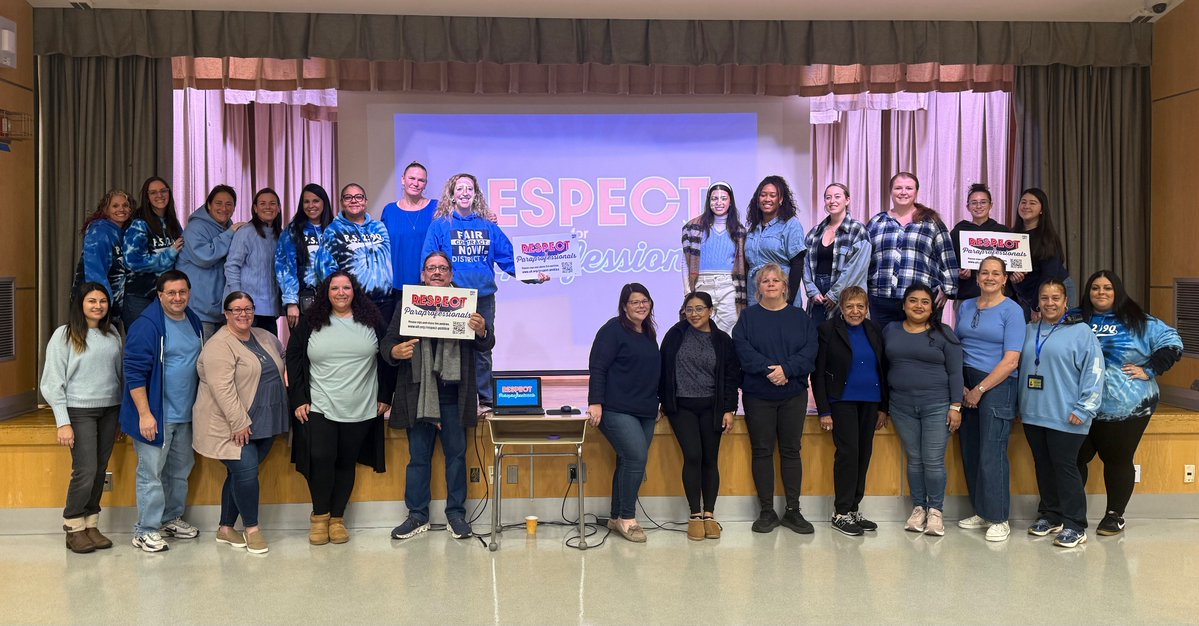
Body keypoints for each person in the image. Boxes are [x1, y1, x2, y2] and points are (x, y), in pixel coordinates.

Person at [383, 252, 494, 541]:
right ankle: (417, 515)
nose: (436, 273)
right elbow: (387, 344)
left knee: (457, 458)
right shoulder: (408, 304)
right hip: (418, 393)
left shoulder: (468, 304)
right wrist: (396, 352)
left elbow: (486, 344)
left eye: (443, 268)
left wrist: (482, 330)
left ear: (451, 274)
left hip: (455, 395)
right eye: (431, 268)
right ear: (423, 274)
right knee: (418, 458)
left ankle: (456, 515)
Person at [422, 173, 549, 413]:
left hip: (483, 297)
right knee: (449, 347)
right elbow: (429, 258)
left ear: (476, 193)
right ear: (451, 194)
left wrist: (535, 275)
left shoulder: (488, 225)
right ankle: (449, 395)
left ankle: (485, 397)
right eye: (459, 188)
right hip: (452, 297)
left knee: (482, 347)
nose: (464, 192)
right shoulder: (440, 225)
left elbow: (509, 258)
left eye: (469, 188)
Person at [286, 271, 394, 546]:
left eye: (346, 287)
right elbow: (295, 357)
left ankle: (337, 519)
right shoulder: (311, 321)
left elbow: (387, 356)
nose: (341, 292)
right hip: (320, 404)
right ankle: (319, 517)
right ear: (327, 292)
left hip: (361, 405)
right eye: (335, 288)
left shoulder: (372, 321)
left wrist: (385, 394)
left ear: (354, 291)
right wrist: (298, 398)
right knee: (321, 458)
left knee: (346, 462)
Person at [1077, 270, 1183, 535]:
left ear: (1118, 292)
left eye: (1108, 288)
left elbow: (1172, 342)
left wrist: (1150, 369)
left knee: (1117, 459)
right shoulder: (1076, 319)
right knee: (1075, 458)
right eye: (1095, 288)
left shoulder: (1138, 321)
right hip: (1082, 406)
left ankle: (1115, 515)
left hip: (1126, 406)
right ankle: (1072, 513)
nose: (1101, 293)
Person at [192, 291, 289, 555]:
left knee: (240, 474)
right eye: (236, 309)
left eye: (247, 309)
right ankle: (252, 529)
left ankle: (225, 529)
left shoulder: (264, 336)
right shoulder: (219, 345)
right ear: (226, 314)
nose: (243, 314)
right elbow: (222, 389)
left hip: (266, 419)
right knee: (246, 471)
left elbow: (281, 357)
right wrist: (238, 422)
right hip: (232, 423)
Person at [121, 269, 204, 552]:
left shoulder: (193, 319)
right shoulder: (147, 325)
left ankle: (170, 518)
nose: (177, 297)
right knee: (151, 473)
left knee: (179, 472)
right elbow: (133, 373)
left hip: (185, 415)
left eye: (182, 292)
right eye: (171, 293)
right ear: (160, 295)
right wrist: (145, 414)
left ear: (189, 293)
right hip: (156, 415)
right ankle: (144, 530)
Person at [732, 263, 818, 534]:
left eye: (775, 280)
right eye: (765, 281)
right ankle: (767, 512)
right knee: (762, 451)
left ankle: (793, 511)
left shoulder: (800, 318)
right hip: (759, 395)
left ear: (785, 286)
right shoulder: (748, 318)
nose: (770, 284)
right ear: (758, 288)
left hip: (793, 394)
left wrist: (787, 371)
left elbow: (810, 351)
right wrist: (771, 371)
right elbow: (742, 350)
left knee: (792, 451)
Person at [1018, 280, 1104, 548]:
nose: (1050, 303)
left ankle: (1075, 524)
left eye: (1056, 298)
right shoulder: (1029, 330)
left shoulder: (1081, 332)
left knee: (1066, 468)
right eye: (1044, 298)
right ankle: (1051, 514)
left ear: (1066, 302)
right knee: (1043, 466)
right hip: (1033, 414)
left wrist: (1085, 408)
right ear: (1038, 302)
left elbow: (1095, 371)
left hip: (1068, 415)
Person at [39, 283, 123, 554]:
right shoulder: (64, 335)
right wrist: (63, 421)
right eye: (92, 301)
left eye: (102, 301)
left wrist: (122, 416)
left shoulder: (112, 334)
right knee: (85, 470)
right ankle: (73, 526)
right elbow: (51, 383)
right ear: (80, 304)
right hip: (79, 412)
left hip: (110, 410)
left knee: (100, 469)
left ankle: (91, 524)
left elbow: (119, 377)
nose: (98, 306)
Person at [658, 291, 740, 540]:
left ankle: (709, 515)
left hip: (712, 407)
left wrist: (729, 408)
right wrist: (661, 401)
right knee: (693, 455)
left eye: (699, 309)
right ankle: (694, 514)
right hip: (682, 406)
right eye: (689, 309)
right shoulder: (674, 335)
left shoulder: (723, 340)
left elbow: (730, 375)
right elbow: (662, 369)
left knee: (709, 459)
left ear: (711, 311)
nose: (694, 314)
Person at [883, 282, 963, 537]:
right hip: (901, 406)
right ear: (904, 305)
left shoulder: (945, 334)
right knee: (915, 460)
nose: (918, 306)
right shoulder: (890, 330)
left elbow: (955, 373)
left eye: (925, 302)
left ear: (932, 307)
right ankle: (919, 508)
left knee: (933, 460)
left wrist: (955, 407)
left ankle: (935, 511)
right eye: (913, 301)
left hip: (937, 406)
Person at [954, 256, 1024, 541]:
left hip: (996, 383)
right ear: (977, 276)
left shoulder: (1013, 311)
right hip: (966, 383)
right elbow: (957, 345)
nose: (990, 277)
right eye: (985, 272)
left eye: (996, 273)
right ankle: (982, 511)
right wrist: (959, 384)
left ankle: (999, 517)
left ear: (1005, 278)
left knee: (992, 452)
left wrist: (979, 389)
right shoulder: (966, 305)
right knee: (971, 450)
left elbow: (1011, 361)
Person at [587, 283, 661, 543]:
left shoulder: (648, 332)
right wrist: (595, 402)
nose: (641, 306)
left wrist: (658, 402)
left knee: (628, 460)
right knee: (636, 457)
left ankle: (616, 515)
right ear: (624, 306)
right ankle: (628, 518)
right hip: (616, 408)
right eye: (635, 302)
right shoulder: (612, 330)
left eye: (645, 301)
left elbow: (652, 371)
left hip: (645, 408)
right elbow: (598, 367)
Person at [812, 286, 887, 536]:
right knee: (848, 454)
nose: (855, 311)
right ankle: (841, 512)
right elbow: (818, 373)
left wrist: (884, 407)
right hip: (842, 400)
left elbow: (883, 369)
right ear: (841, 309)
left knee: (864, 454)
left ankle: (854, 508)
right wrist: (824, 410)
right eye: (850, 307)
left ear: (867, 308)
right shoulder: (827, 330)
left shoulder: (874, 329)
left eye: (860, 306)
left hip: (871, 401)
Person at [866, 172, 959, 326]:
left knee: (920, 348)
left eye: (909, 188)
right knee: (881, 348)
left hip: (920, 301)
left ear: (916, 192)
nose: (903, 192)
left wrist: (948, 289)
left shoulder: (931, 222)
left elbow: (946, 254)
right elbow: (865, 260)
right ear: (891, 191)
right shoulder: (876, 222)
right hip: (881, 300)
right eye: (898, 188)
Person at [313, 183, 395, 322]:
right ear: (341, 202)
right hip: (354, 303)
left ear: (365, 201)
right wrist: (342, 297)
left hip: (385, 301)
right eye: (348, 197)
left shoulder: (379, 227)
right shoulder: (333, 231)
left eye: (358, 197)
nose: (354, 200)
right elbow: (323, 269)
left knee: (385, 343)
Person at [176, 185, 246, 341]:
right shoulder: (196, 228)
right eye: (218, 203)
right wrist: (230, 234)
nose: (224, 208)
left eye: (229, 204)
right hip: (198, 311)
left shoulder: (229, 228)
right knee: (201, 360)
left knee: (218, 361)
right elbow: (205, 256)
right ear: (209, 205)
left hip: (220, 312)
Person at [681, 182, 747, 333]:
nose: (718, 202)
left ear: (730, 201)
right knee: (700, 329)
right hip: (702, 283)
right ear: (708, 201)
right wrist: (687, 290)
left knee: (730, 330)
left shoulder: (739, 230)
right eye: (714, 198)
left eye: (723, 198)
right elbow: (685, 261)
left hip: (729, 285)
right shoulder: (692, 227)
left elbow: (742, 264)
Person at [803, 183, 871, 327]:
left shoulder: (858, 230)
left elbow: (856, 268)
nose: (832, 201)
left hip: (845, 294)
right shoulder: (815, 232)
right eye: (828, 197)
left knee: (842, 341)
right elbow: (805, 264)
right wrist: (812, 291)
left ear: (847, 200)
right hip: (818, 296)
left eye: (837, 196)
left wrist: (835, 294)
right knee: (818, 339)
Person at [123, 177, 183, 326]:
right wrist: (169, 254)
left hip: (165, 295)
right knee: (142, 340)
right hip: (139, 296)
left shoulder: (173, 224)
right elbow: (134, 262)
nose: (160, 195)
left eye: (163, 191)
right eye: (153, 192)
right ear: (147, 197)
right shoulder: (139, 224)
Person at [275, 183, 334, 328]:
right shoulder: (293, 231)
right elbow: (285, 267)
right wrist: (291, 302)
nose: (310, 205)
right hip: (303, 301)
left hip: (334, 301)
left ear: (324, 203)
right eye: (306, 201)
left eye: (315, 201)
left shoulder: (335, 228)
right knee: (303, 347)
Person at [226, 188, 283, 334]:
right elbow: (232, 266)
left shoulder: (281, 235)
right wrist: (237, 299)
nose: (268, 207)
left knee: (269, 353)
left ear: (278, 207)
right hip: (247, 308)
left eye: (272, 203)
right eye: (262, 203)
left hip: (270, 309)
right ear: (255, 208)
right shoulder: (246, 232)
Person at [743, 175, 806, 306]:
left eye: (772, 195)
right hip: (755, 296)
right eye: (763, 195)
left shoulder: (791, 224)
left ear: (781, 199)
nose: (767, 199)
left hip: (782, 296)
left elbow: (797, 264)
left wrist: (788, 300)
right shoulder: (753, 228)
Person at [74, 189, 132, 324]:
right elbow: (95, 272)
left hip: (111, 304)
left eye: (125, 205)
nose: (121, 209)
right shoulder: (99, 232)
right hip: (96, 305)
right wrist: (101, 304)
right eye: (115, 206)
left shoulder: (123, 233)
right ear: (105, 209)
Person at [381, 162, 439, 298]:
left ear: (425, 184)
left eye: (421, 180)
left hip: (428, 284)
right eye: (411, 178)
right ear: (403, 180)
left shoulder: (437, 208)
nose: (416, 183)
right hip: (395, 285)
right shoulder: (389, 210)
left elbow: (462, 217)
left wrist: (487, 216)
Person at [1011, 188, 1070, 321]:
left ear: (1042, 209)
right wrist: (1011, 276)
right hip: (1027, 295)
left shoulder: (1047, 237)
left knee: (1053, 333)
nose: (1026, 206)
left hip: (1052, 291)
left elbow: (1049, 274)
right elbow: (1008, 267)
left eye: (1032, 203)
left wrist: (1036, 305)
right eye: (1023, 202)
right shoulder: (1011, 236)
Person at [949, 183, 1008, 308]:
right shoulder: (958, 232)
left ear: (991, 205)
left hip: (997, 296)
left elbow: (1009, 264)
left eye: (983, 202)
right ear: (968, 206)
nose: (979, 206)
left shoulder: (1003, 232)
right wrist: (959, 273)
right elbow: (949, 263)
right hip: (966, 296)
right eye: (974, 203)